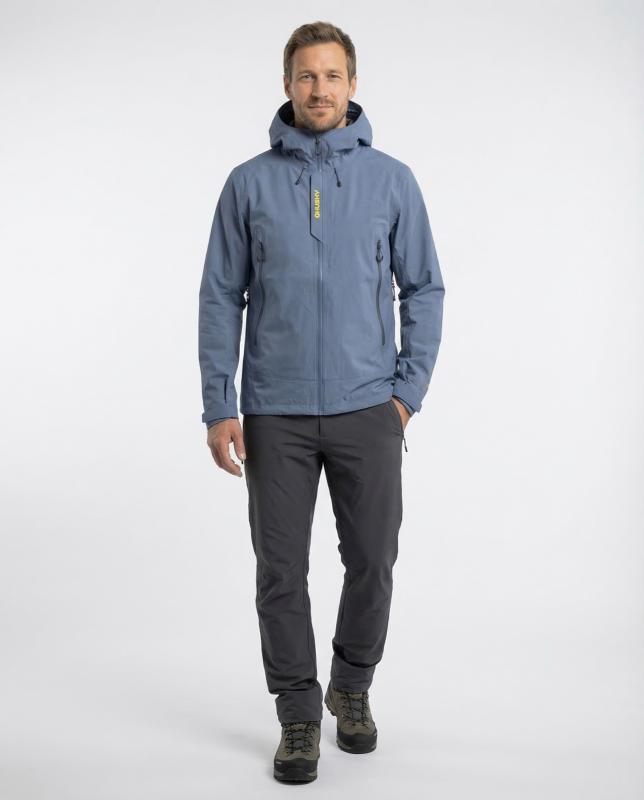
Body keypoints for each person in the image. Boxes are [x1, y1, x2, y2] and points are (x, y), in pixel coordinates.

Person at [198, 20, 445, 783]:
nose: (319, 89)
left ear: (353, 84)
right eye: (306, 76)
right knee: (280, 569)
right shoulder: (247, 184)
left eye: (332, 75)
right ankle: (299, 715)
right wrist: (219, 404)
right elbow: (220, 296)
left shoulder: (391, 181)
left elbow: (424, 288)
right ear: (287, 85)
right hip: (274, 410)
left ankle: (352, 685)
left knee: (372, 559)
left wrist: (405, 394)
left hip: (368, 406)